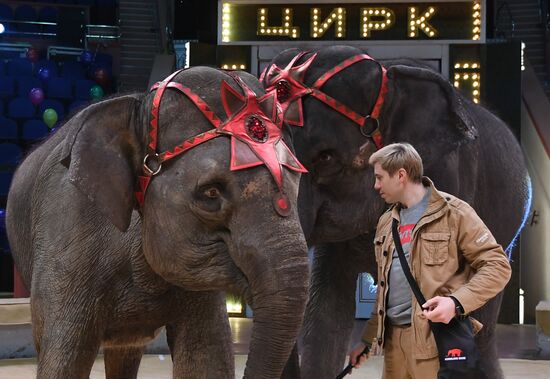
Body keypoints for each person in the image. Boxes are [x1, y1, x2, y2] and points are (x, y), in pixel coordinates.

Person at [349, 142, 511, 378]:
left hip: (434, 344)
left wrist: (455, 302)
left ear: (401, 175)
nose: (376, 185)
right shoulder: (386, 223)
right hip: (394, 348)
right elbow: (387, 288)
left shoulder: (454, 213)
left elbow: (498, 265)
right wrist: (367, 340)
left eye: (380, 178)